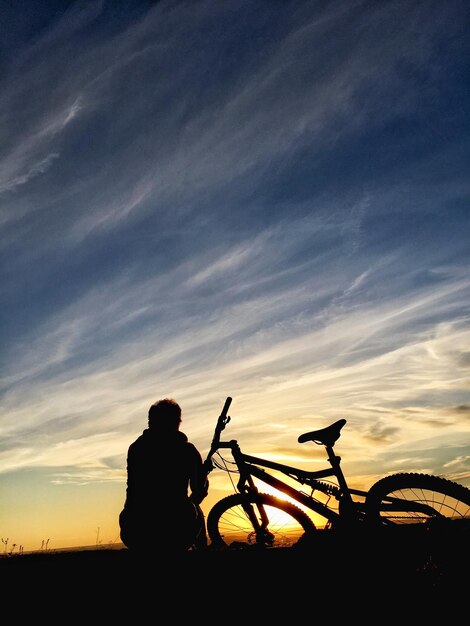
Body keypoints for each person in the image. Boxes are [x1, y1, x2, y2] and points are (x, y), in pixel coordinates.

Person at [119, 398, 209, 553]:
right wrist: (202, 474)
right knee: (196, 510)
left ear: (150, 421)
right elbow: (199, 491)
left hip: (134, 534)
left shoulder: (136, 448)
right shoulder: (186, 450)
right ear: (177, 422)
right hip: (176, 535)